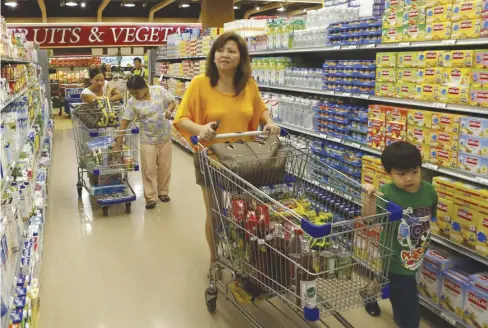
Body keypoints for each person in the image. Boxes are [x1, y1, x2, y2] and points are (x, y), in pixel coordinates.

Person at [172, 32, 280, 266]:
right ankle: (215, 258)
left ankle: (246, 256)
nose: (225, 55)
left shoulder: (248, 85)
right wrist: (200, 128)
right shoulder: (199, 84)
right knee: (215, 213)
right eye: (220, 50)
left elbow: (259, 109)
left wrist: (269, 121)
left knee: (246, 211)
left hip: (243, 159)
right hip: (212, 160)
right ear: (213, 56)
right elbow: (180, 120)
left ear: (240, 58)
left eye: (231, 51)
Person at [362, 141, 438, 328]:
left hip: (416, 251)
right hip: (394, 254)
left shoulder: (429, 190)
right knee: (407, 302)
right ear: (388, 174)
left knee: (387, 277)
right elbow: (369, 219)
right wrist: (370, 197)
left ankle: (368, 293)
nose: (409, 179)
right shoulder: (387, 193)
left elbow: (430, 216)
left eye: (414, 172)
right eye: (401, 174)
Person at [113, 75, 177, 209]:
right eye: (132, 93)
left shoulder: (158, 90)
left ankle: (163, 192)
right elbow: (124, 122)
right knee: (149, 168)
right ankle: (151, 197)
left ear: (144, 88)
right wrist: (118, 144)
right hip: (147, 139)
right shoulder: (132, 102)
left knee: (165, 167)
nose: (134, 95)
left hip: (165, 136)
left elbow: (172, 102)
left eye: (136, 92)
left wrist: (168, 110)